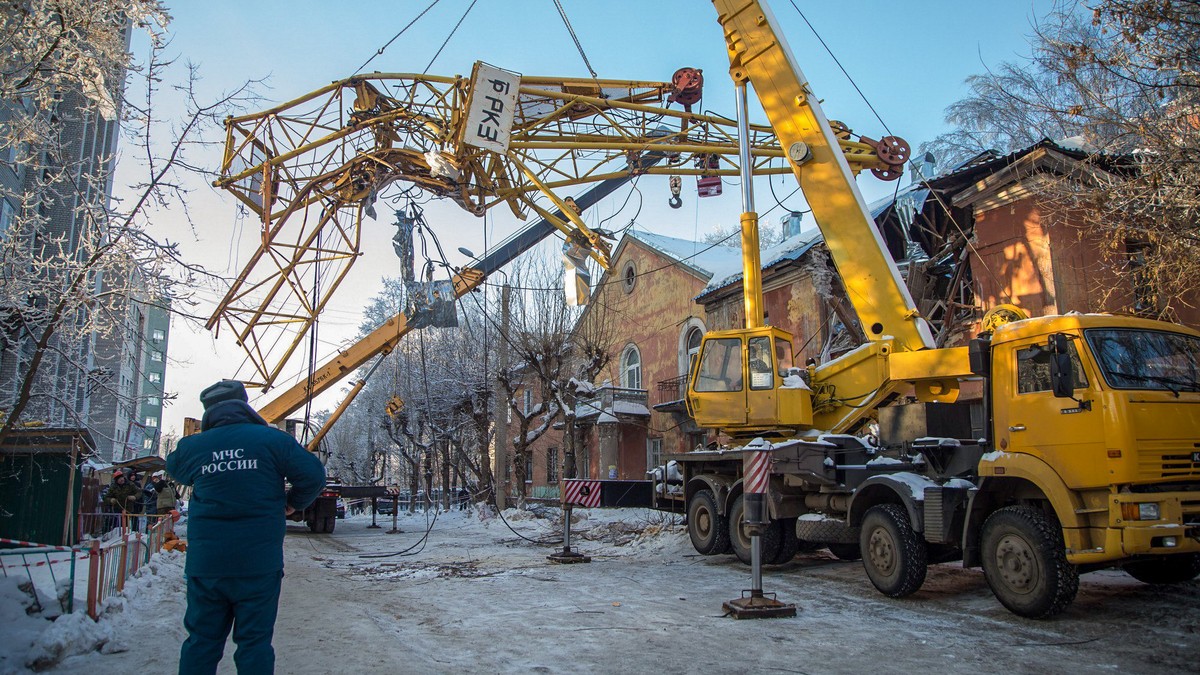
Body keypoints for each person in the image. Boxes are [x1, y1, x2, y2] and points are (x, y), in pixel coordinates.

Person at [167, 380, 325, 675]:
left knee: (201, 642)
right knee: (255, 643)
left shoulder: (193, 447)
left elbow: (175, 469)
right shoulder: (273, 440)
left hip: (207, 565)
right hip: (258, 563)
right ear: (244, 403)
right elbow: (313, 475)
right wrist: (292, 502)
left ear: (208, 410)